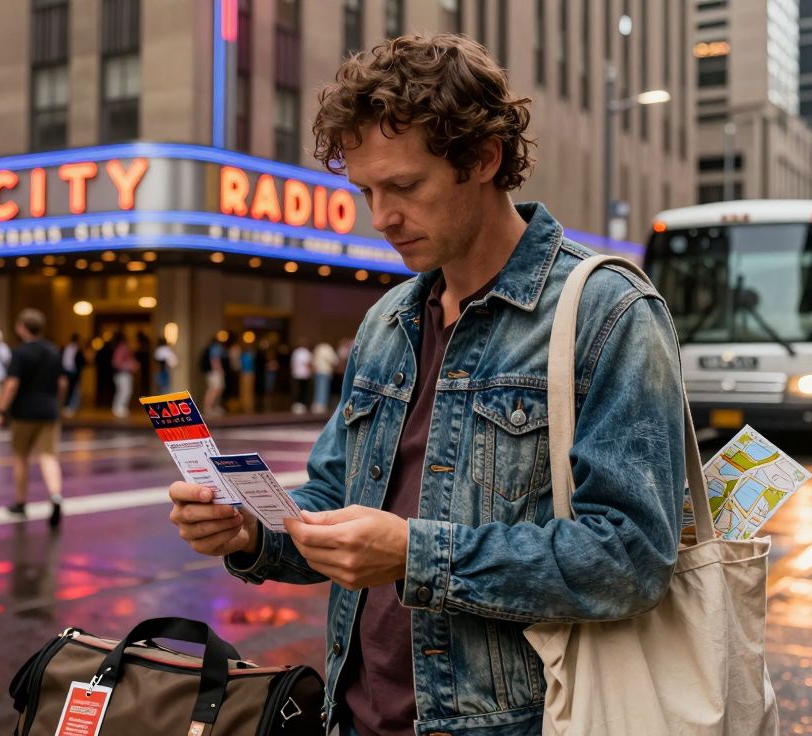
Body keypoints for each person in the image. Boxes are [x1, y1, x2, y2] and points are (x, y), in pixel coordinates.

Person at [167, 34, 687, 736]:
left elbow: (629, 558)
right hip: (351, 717)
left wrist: (416, 554)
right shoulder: (389, 318)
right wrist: (251, 532)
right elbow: (332, 499)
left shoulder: (608, 312)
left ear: (482, 158)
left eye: (404, 187)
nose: (381, 217)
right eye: (367, 192)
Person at [0, 309, 65, 529]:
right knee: (48, 455)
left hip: (24, 412)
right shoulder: (53, 351)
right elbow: (62, 383)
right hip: (48, 410)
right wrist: (56, 405)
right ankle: (55, 495)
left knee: (21, 456)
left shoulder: (20, 352)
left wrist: (0, 410)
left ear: (22, 327)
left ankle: (21, 503)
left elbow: (12, 384)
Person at [110, 334, 138, 418]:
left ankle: (118, 408)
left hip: (121, 374)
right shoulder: (123, 349)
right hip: (123, 374)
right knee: (126, 391)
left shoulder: (120, 349)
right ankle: (119, 408)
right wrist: (131, 365)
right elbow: (117, 363)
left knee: (121, 391)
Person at [310, 341, 338, 414]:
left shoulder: (318, 348)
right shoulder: (328, 348)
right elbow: (334, 360)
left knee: (317, 388)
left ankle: (316, 404)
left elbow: (313, 360)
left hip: (317, 371)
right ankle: (321, 405)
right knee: (323, 388)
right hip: (325, 371)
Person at [202, 335, 227, 415]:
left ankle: (213, 407)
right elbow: (215, 360)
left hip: (213, 372)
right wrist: (220, 371)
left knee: (216, 389)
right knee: (213, 389)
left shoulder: (212, 347)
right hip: (215, 372)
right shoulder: (216, 348)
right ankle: (208, 408)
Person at [61, 333, 83, 417]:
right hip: (72, 372)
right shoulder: (74, 349)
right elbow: (70, 362)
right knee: (71, 389)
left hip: (68, 371)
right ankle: (68, 407)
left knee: (72, 389)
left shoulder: (68, 348)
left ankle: (70, 406)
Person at [289, 343, 312, 414]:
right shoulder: (306, 352)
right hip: (304, 374)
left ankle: (296, 405)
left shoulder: (295, 352)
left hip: (296, 374)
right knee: (304, 391)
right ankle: (302, 405)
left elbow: (292, 363)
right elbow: (308, 363)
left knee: (296, 390)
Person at [238, 338, 256, 414]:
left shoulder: (243, 356)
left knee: (246, 390)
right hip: (247, 374)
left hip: (245, 373)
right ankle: (247, 406)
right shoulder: (248, 356)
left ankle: (247, 406)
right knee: (247, 391)